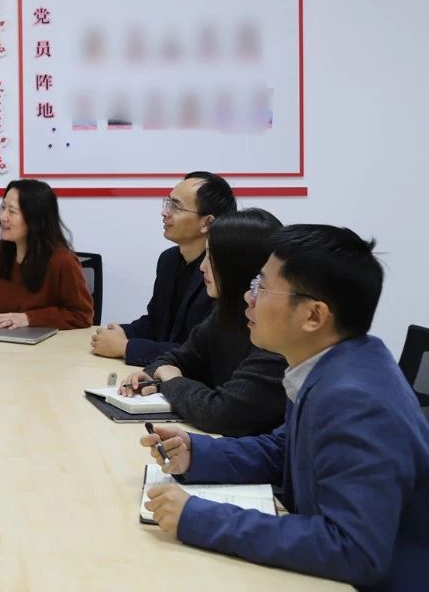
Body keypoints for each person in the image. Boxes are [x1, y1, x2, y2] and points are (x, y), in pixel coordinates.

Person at [141, 225, 429, 590]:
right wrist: (197, 453)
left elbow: (353, 550)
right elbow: (285, 450)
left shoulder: (356, 399)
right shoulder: (332, 364)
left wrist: (199, 518)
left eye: (261, 287)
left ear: (313, 316)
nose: (248, 297)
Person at [120, 209, 288, 435]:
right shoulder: (225, 313)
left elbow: (222, 413)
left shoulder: (277, 338)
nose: (202, 267)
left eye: (211, 257)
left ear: (239, 266)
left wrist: (171, 380)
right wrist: (151, 376)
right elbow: (175, 359)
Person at [91, 171, 235, 364]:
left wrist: (126, 347)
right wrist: (122, 332)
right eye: (168, 203)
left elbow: (202, 350)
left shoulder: (222, 272)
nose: (165, 212)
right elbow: (156, 322)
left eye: (176, 206)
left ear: (207, 222)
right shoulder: (169, 260)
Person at [0, 179, 93, 330]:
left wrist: (28, 318)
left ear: (35, 218)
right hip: (4, 339)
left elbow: (82, 316)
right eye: (3, 207)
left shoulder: (62, 261)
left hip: (49, 342)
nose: (3, 217)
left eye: (12, 211)